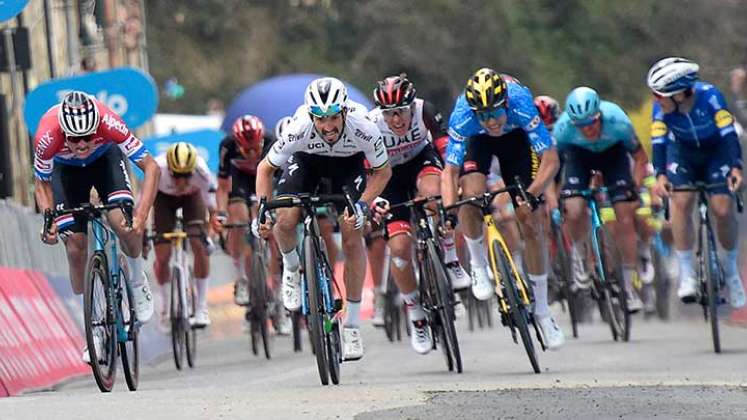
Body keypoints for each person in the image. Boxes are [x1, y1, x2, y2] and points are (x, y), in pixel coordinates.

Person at [254, 77, 392, 360]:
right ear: (311, 116)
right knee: (286, 219)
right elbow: (265, 169)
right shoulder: (299, 128)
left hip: (348, 166)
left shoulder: (363, 126)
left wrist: (364, 205)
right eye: (320, 119)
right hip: (306, 163)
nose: (328, 127)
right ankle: (292, 269)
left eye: (332, 118)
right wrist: (262, 209)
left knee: (352, 231)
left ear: (343, 112)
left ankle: (352, 326)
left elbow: (382, 171)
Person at [441, 68, 565, 349]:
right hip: (479, 144)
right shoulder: (464, 115)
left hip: (517, 142)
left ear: (505, 104)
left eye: (494, 113)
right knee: (470, 197)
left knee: (529, 219)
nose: (490, 121)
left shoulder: (521, 102)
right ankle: (478, 265)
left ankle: (543, 311)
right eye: (482, 115)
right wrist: (449, 211)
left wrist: (532, 195)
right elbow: (450, 172)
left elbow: (550, 159)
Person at [35, 91, 160, 362]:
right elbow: (41, 182)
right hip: (65, 172)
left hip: (106, 162)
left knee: (123, 225)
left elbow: (151, 168)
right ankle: (92, 329)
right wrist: (48, 219)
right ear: (63, 132)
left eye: (88, 137)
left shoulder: (109, 122)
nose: (81, 145)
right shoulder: (47, 136)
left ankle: (138, 281)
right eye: (74, 139)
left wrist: (141, 213)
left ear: (97, 128)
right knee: (75, 247)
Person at [367, 74, 470, 354]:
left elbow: (447, 153)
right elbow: (365, 174)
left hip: (420, 161)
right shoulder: (370, 125)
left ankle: (450, 259)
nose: (397, 120)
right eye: (390, 114)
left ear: (412, 107)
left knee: (433, 196)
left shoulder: (425, 111)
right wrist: (374, 201)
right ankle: (417, 316)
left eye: (402, 112)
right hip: (387, 177)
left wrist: (455, 184)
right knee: (399, 248)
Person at [648, 57, 745, 308]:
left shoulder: (711, 97)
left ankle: (732, 272)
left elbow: (728, 135)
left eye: (660, 95)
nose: (655, 100)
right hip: (683, 154)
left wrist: (736, 166)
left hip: (716, 154)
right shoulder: (661, 109)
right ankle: (687, 272)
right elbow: (658, 143)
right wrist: (660, 175)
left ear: (679, 94)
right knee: (681, 201)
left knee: (723, 209)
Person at [552, 87, 652, 312]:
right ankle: (578, 254)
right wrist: (554, 200)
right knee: (574, 209)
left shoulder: (618, 121)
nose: (588, 129)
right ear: (573, 123)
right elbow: (552, 170)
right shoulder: (563, 130)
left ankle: (628, 286)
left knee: (625, 215)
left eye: (593, 122)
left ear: (600, 115)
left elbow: (640, 158)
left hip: (613, 157)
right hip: (579, 159)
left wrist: (634, 188)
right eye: (581, 125)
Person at [152, 142, 216, 330]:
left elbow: (211, 208)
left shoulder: (202, 172)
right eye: (176, 175)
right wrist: (143, 231)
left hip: (192, 199)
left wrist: (209, 233)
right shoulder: (158, 169)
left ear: (193, 170)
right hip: (163, 200)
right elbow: (144, 201)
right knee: (162, 256)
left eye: (186, 175)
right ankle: (166, 307)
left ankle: (202, 308)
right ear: (169, 169)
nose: (181, 181)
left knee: (198, 243)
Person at [212, 114, 273, 307]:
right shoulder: (227, 146)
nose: (253, 154)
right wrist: (221, 213)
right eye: (247, 150)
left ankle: (276, 286)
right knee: (238, 217)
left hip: (265, 180)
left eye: (256, 148)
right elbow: (222, 186)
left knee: (263, 214)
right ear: (237, 145)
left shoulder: (272, 143)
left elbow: (276, 181)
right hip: (239, 180)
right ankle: (241, 280)